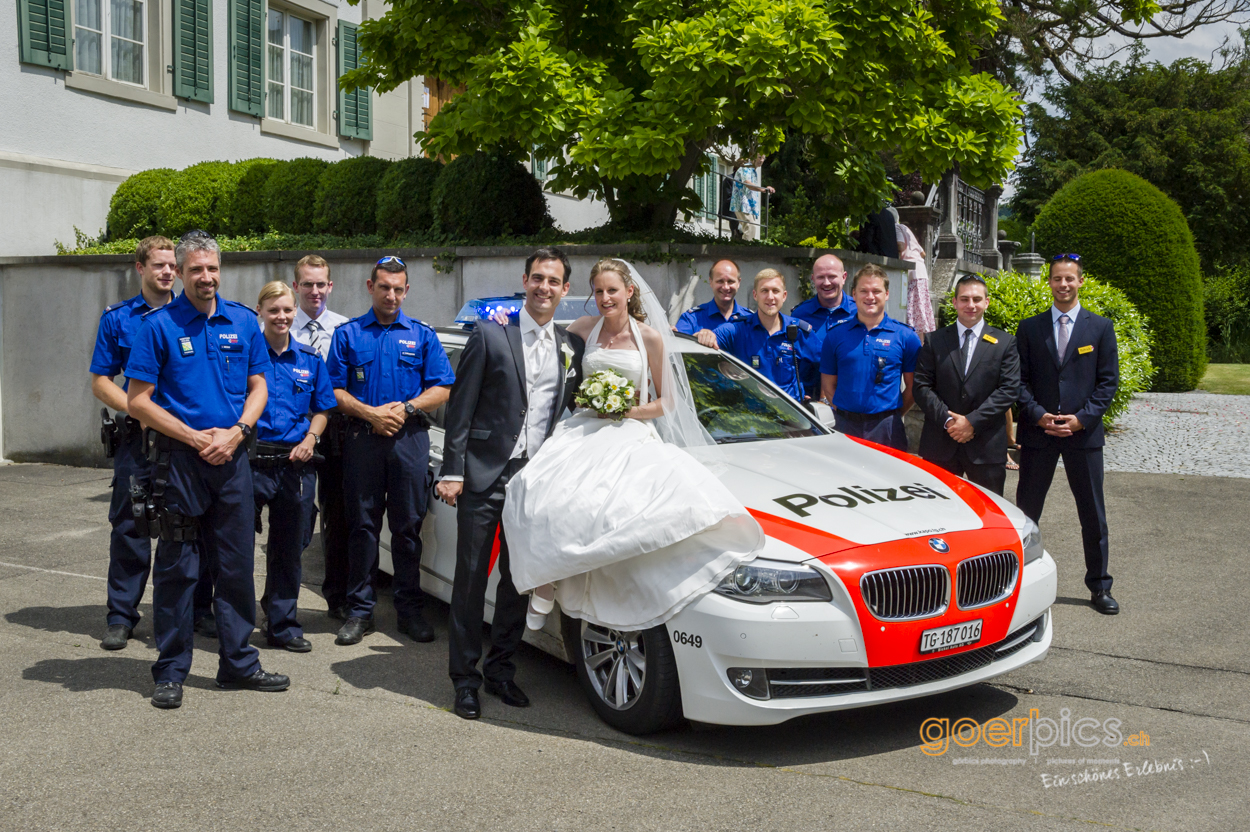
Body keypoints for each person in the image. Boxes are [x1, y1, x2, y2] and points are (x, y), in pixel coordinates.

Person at [500, 257, 762, 703]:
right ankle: (545, 581)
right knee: (538, 491)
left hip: (629, 429)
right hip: (583, 427)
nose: (605, 299)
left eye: (612, 292)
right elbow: (546, 353)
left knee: (622, 507)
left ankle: (618, 599)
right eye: (598, 291)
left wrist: (623, 409)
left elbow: (666, 403)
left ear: (629, 293)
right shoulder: (583, 329)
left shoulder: (651, 338)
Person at [125, 231, 289, 709]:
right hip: (180, 462)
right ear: (179, 271)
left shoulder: (242, 321)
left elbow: (259, 385)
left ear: (221, 269)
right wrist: (196, 438)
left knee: (237, 565)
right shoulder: (158, 326)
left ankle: (238, 663)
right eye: (195, 269)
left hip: (234, 458)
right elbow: (138, 401)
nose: (205, 277)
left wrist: (237, 431)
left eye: (212, 268)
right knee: (178, 568)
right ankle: (171, 670)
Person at [435, 247, 587, 721]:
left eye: (553, 281)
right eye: (537, 278)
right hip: (483, 473)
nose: (544, 288)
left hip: (534, 479)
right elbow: (460, 409)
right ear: (525, 281)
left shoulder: (571, 346)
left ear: (565, 290)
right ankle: (465, 679)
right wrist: (453, 470)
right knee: (471, 577)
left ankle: (501, 671)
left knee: (517, 583)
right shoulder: (489, 334)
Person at [326, 256, 455, 646]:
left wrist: (408, 407)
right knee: (362, 528)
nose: (391, 295)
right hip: (363, 441)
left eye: (399, 288)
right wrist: (369, 413)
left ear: (407, 290)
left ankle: (409, 611)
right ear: (370, 287)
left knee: (407, 530)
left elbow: (443, 386)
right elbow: (331, 390)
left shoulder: (422, 335)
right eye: (384, 287)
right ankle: (360, 611)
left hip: (408, 441)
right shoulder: (349, 335)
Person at [1015, 254, 1120, 615]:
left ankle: (1099, 585)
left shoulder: (1101, 328)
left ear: (1080, 281)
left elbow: (1108, 384)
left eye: (1069, 279)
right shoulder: (1029, 328)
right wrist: (1037, 415)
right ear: (1049, 283)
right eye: (1057, 279)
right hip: (1038, 433)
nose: (1063, 285)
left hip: (1083, 435)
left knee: (1092, 513)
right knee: (1026, 513)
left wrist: (1081, 419)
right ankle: (1015, 585)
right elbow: (1019, 381)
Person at [89, 236, 176, 650]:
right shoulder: (119, 318)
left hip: (184, 437)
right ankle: (122, 615)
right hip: (138, 442)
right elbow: (100, 381)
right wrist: (139, 411)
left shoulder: (193, 313)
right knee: (130, 525)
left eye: (171, 265)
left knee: (191, 525)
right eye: (158, 265)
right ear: (140, 268)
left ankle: (194, 611)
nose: (167, 272)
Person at [252, 282, 338, 652]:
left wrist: (311, 439)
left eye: (287, 310)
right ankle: (231, 620)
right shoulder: (246, 357)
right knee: (235, 545)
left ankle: (282, 622)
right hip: (253, 461)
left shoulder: (310, 359)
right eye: (274, 310)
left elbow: (323, 409)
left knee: (290, 547)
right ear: (261, 312)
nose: (282, 317)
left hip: (295, 463)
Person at [287, 255, 352, 622]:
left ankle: (337, 596)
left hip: (335, 434)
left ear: (331, 286)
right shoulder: (278, 324)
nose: (315, 291)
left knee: (337, 516)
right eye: (307, 284)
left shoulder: (345, 329)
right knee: (291, 519)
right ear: (296, 286)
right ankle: (282, 602)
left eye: (321, 284)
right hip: (290, 433)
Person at [913, 274, 1020, 495]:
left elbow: (1008, 390)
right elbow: (921, 386)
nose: (971, 305)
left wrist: (971, 422)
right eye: (964, 299)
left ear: (986, 302)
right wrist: (949, 420)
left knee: (988, 517)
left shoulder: (1005, 343)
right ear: (954, 302)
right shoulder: (935, 340)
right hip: (940, 444)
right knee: (937, 514)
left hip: (986, 448)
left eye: (977, 299)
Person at [819, 263, 922, 450]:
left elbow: (913, 387)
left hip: (887, 428)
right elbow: (828, 386)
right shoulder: (835, 336)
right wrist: (848, 413)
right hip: (844, 426)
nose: (870, 297)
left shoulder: (906, 336)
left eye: (876, 291)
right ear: (854, 294)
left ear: (887, 294)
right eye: (864, 291)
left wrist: (892, 415)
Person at [695, 269, 819, 402]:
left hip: (791, 418)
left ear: (784, 296)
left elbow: (827, 365)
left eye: (775, 291)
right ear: (755, 295)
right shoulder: (737, 330)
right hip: (751, 418)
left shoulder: (799, 331)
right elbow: (702, 340)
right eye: (764, 291)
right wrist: (704, 334)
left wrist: (819, 398)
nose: (770, 297)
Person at [790, 254, 858, 393]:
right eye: (821, 277)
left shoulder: (859, 312)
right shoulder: (800, 314)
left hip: (849, 397)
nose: (826, 283)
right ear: (813, 279)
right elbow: (794, 360)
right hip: (810, 398)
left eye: (832, 276)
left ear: (844, 277)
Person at [674, 259, 749, 335]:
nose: (726, 287)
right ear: (711, 282)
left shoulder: (750, 318)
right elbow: (678, 344)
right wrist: (696, 338)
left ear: (738, 283)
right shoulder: (692, 318)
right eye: (720, 281)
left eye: (730, 281)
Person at [896, 221, 936, 340]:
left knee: (914, 308)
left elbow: (900, 245)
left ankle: (917, 341)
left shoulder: (897, 227)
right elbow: (922, 253)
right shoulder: (907, 230)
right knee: (921, 308)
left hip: (912, 271)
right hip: (921, 270)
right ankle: (922, 342)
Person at [729, 155, 774, 242]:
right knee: (750, 226)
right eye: (759, 157)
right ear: (753, 157)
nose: (761, 160)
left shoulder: (753, 171)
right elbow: (747, 183)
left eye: (763, 158)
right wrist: (763, 189)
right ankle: (746, 251)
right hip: (741, 203)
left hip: (748, 205)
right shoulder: (745, 168)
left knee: (750, 227)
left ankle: (745, 247)